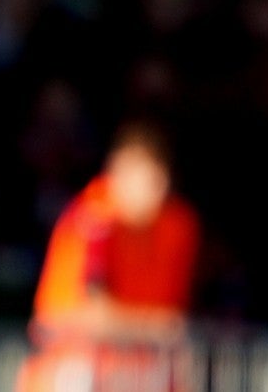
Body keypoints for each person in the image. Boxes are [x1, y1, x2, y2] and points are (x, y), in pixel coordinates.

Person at [15, 116, 202, 392]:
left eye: (160, 176)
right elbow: (94, 315)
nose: (157, 188)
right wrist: (156, 329)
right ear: (118, 173)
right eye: (146, 177)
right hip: (74, 372)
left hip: (141, 374)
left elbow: (174, 313)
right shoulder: (95, 218)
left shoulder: (178, 225)